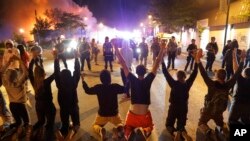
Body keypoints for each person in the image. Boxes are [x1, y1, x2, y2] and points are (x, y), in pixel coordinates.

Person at [115, 40, 166, 140]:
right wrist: (162, 48)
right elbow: (157, 62)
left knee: (128, 126)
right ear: (145, 72)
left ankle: (128, 133)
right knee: (150, 127)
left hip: (132, 116)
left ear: (136, 72)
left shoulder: (132, 79)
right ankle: (145, 131)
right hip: (144, 117)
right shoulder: (148, 79)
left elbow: (123, 62)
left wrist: (115, 47)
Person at [196, 48, 245, 139]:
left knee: (201, 123)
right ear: (225, 77)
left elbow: (203, 73)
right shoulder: (228, 85)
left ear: (216, 75)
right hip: (219, 112)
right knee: (221, 124)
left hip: (208, 111)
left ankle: (208, 132)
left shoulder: (211, 84)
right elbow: (237, 74)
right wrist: (242, 60)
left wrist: (198, 60)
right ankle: (225, 134)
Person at [162, 51, 198, 140]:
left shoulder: (174, 84)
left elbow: (165, 73)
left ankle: (174, 133)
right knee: (181, 124)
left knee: (169, 124)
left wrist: (162, 60)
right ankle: (181, 132)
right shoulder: (187, 84)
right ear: (185, 77)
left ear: (177, 77)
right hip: (183, 107)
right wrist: (196, 60)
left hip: (174, 107)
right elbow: (194, 73)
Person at [81, 70, 125, 140]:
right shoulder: (115, 86)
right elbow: (125, 89)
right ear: (110, 78)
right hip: (114, 114)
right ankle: (118, 128)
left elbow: (88, 90)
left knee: (95, 125)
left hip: (102, 114)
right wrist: (127, 78)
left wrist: (83, 80)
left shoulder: (98, 87)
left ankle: (100, 130)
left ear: (101, 79)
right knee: (121, 123)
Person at [1, 55, 32, 140]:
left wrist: (8, 62)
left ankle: (17, 135)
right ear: (16, 76)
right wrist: (19, 60)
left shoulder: (6, 83)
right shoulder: (19, 83)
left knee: (18, 122)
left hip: (12, 105)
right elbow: (26, 72)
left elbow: (1, 72)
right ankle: (27, 137)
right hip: (21, 105)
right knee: (27, 123)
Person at [54, 50, 80, 139]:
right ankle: (71, 133)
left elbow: (56, 72)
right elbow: (77, 71)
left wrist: (56, 59)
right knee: (76, 124)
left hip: (63, 108)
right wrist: (76, 58)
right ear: (70, 75)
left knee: (64, 125)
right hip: (73, 106)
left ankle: (60, 133)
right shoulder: (74, 83)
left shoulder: (59, 84)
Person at [28, 57, 56, 140]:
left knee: (41, 121)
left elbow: (29, 71)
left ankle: (31, 131)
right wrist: (56, 58)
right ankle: (47, 136)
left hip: (38, 106)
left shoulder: (34, 82)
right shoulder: (46, 82)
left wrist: (32, 60)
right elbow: (56, 73)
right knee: (50, 123)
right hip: (48, 105)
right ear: (43, 73)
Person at [228, 48, 250, 126]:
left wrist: (234, 56)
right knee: (246, 121)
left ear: (244, 74)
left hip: (237, 105)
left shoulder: (241, 81)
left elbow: (236, 69)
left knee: (232, 121)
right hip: (248, 106)